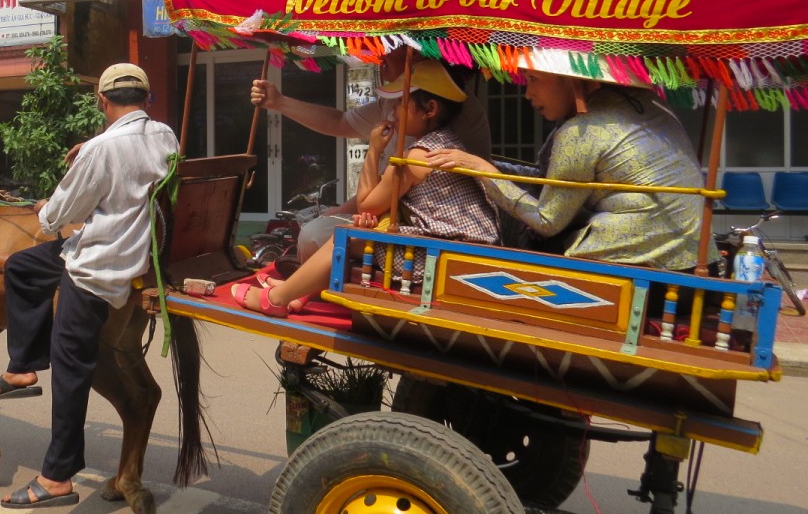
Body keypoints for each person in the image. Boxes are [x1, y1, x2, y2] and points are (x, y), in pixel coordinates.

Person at [0, 63, 179, 510]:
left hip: (99, 265)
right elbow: (132, 152)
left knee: (70, 367)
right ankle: (22, 366)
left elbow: (54, 218)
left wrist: (45, 206)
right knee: (22, 267)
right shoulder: (165, 136)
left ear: (102, 101)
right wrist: (93, 148)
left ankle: (56, 477)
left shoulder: (101, 150)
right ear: (146, 99)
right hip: (137, 250)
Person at [232, 61, 499, 316]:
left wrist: (373, 149)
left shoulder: (417, 157)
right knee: (360, 232)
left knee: (346, 238)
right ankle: (298, 292)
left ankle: (275, 300)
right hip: (457, 248)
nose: (393, 112)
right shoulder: (445, 141)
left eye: (401, 103)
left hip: (442, 254)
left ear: (429, 109)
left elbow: (367, 203)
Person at [425, 70, 704, 299]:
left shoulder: (583, 130)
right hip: (694, 262)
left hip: (647, 274)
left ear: (569, 79)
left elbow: (547, 220)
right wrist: (488, 168)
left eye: (533, 79)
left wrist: (483, 170)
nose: (527, 93)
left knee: (535, 240)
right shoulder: (645, 102)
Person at [250, 47, 492, 261]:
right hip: (394, 212)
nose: (381, 59)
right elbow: (341, 122)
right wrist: (278, 102)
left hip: (427, 231)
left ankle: (289, 294)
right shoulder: (404, 105)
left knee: (318, 236)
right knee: (324, 229)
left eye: (390, 49)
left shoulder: (435, 125)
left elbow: (373, 201)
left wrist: (374, 152)